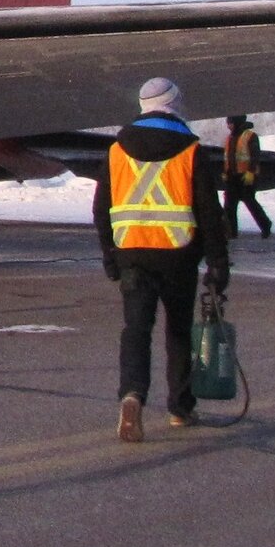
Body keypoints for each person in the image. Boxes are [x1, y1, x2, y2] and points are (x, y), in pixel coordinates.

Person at [93, 77, 229, 441]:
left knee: (136, 330)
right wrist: (218, 264)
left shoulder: (116, 150)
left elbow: (101, 207)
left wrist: (109, 254)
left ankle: (132, 395)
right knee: (178, 332)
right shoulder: (190, 149)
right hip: (177, 255)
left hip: (132, 253)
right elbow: (209, 212)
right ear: (174, 103)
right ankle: (180, 409)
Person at [222, 114, 272, 238]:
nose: (228, 125)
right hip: (233, 176)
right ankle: (231, 232)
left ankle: (265, 225)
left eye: (230, 122)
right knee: (229, 205)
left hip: (246, 176)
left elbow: (255, 155)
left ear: (236, 123)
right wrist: (226, 172)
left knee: (250, 202)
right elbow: (229, 157)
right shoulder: (230, 137)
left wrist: (251, 171)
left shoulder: (250, 136)